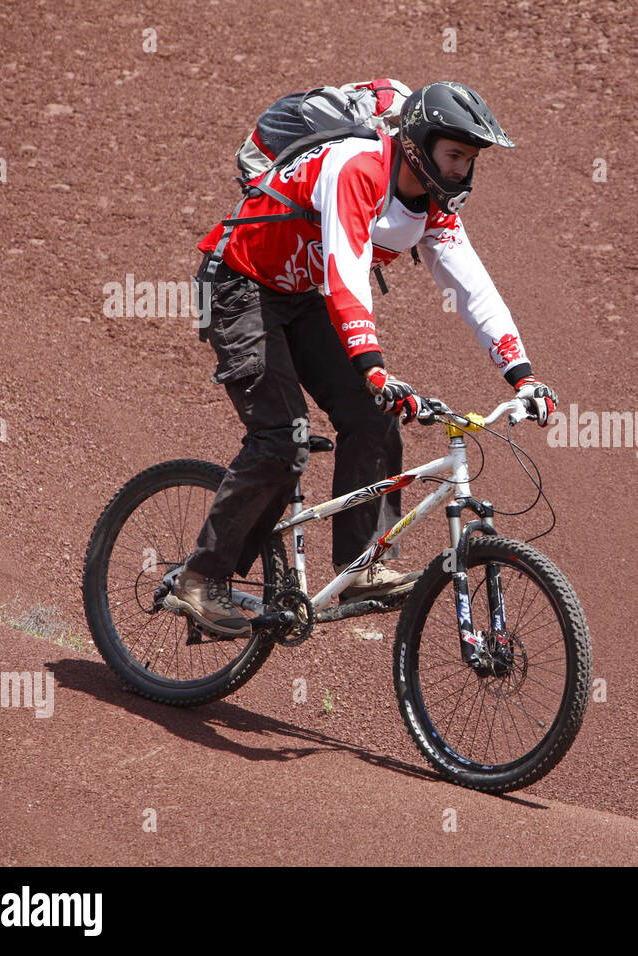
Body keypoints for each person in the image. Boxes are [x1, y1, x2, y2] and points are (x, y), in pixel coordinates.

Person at [165, 81, 558, 638]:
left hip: (301, 297)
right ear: (419, 144)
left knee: (373, 416)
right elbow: (346, 271)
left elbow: (474, 291)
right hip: (239, 283)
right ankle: (200, 577)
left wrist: (523, 375)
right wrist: (372, 367)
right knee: (283, 437)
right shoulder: (358, 168)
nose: (462, 175)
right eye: (454, 157)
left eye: (470, 162)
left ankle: (358, 566)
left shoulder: (434, 208)